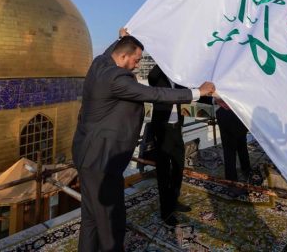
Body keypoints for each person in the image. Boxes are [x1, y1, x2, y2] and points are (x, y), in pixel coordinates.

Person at [71, 29, 215, 252]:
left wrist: (121, 38)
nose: (138, 65)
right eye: (136, 60)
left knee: (91, 218)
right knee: (111, 223)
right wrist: (198, 92)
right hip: (102, 160)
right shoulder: (116, 78)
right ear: (124, 56)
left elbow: (112, 52)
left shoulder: (100, 63)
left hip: (87, 154)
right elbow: (156, 94)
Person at [148, 64, 191, 226]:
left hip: (176, 129)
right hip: (162, 130)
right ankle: (165, 211)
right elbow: (152, 77)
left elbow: (188, 94)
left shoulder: (178, 78)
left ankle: (174, 200)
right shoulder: (157, 76)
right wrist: (162, 60)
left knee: (179, 167)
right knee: (164, 172)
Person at [215, 98, 251, 182]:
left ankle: (231, 179)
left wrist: (216, 100)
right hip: (241, 111)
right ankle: (246, 169)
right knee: (242, 144)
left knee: (229, 149)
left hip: (227, 112)